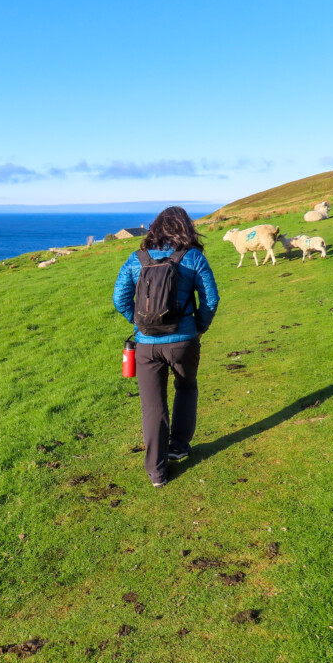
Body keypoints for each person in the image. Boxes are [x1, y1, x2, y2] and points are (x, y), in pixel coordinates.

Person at [112, 206, 220, 487]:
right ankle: (179, 446)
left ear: (155, 229)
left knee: (152, 405)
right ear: (186, 228)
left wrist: (140, 324)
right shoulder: (193, 257)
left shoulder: (137, 259)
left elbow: (119, 299)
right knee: (186, 388)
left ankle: (157, 474)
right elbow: (211, 299)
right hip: (184, 341)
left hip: (146, 345)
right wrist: (199, 327)